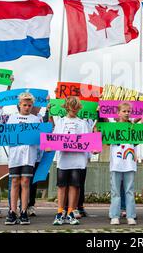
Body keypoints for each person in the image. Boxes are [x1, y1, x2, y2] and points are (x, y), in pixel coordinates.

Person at [0, 92, 41, 225]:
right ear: (19, 105)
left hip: (29, 156)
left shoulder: (36, 119)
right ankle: (12, 211)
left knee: (25, 182)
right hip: (15, 155)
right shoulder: (11, 118)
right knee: (14, 182)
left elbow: (42, 135)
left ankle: (24, 211)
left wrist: (48, 106)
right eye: (25, 105)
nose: (27, 107)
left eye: (30, 105)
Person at [52, 96, 90, 226]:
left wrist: (91, 153)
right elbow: (55, 139)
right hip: (63, 160)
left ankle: (70, 212)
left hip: (78, 160)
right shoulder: (61, 122)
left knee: (74, 186)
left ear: (78, 108)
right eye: (71, 106)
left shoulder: (82, 123)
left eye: (75, 106)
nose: (73, 109)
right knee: (62, 186)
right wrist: (50, 147)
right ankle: (59, 213)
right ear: (67, 107)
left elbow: (87, 141)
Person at [109, 102, 138, 225]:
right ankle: (114, 215)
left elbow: (136, 143)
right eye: (124, 111)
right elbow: (105, 140)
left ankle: (130, 215)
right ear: (118, 113)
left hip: (130, 163)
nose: (127, 113)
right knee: (115, 191)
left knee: (129, 190)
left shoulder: (133, 127)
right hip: (116, 162)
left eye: (128, 111)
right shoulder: (112, 127)